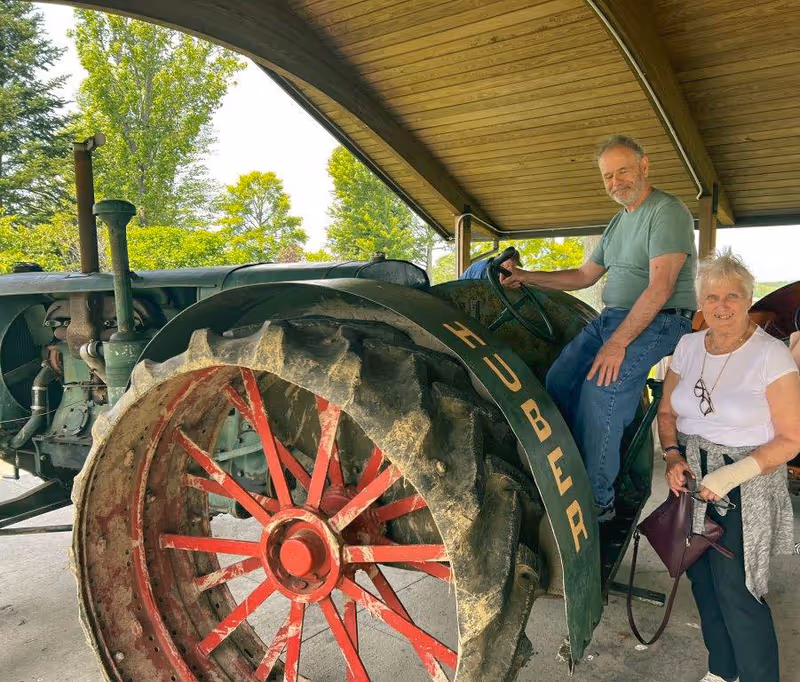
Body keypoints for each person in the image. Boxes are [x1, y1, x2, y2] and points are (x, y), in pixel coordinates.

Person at [501, 134, 696, 521]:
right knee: (559, 380)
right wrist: (525, 276)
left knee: (601, 390)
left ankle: (598, 501)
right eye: (608, 176)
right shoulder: (616, 224)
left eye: (622, 170)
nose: (615, 182)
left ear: (644, 166)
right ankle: (563, 473)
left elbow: (661, 288)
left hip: (662, 319)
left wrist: (617, 343)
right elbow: (583, 275)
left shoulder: (666, 211)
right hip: (613, 317)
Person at [658, 250, 800, 682]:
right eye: (712, 296)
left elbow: (793, 439)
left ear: (748, 298)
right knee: (702, 582)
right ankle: (722, 670)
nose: (722, 305)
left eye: (733, 295)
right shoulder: (686, 346)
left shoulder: (771, 355)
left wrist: (730, 475)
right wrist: (673, 456)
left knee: (738, 592)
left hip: (745, 480)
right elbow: (667, 413)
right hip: (691, 478)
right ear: (701, 301)